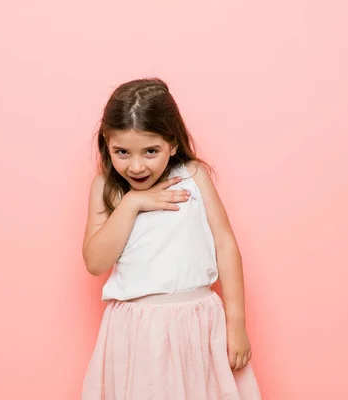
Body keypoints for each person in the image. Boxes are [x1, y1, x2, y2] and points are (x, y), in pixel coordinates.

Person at [82, 78, 261, 399]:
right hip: (136, 332)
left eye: (151, 151)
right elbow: (96, 263)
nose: (136, 165)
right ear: (106, 143)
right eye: (122, 152)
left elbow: (225, 245)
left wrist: (237, 323)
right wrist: (132, 203)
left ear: (173, 144)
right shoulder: (108, 188)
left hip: (197, 323)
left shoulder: (193, 177)